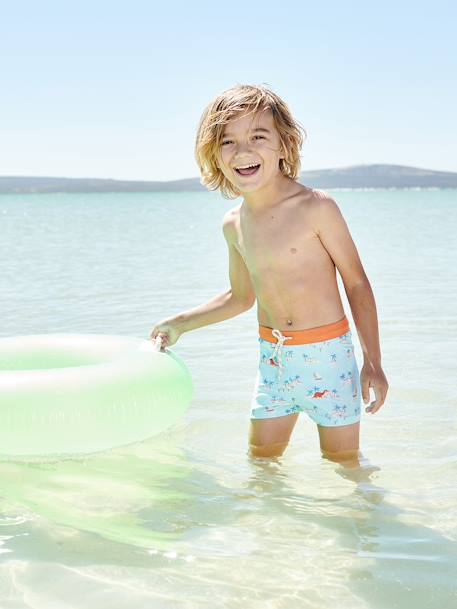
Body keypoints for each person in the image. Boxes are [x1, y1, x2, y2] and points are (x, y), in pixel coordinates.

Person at [150, 83, 389, 464]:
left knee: (344, 467)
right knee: (260, 464)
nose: (243, 151)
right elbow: (240, 298)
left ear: (285, 144)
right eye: (228, 142)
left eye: (258, 137)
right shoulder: (234, 224)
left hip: (327, 359)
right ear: (215, 153)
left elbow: (356, 282)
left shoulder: (316, 208)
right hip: (274, 362)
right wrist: (179, 324)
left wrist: (372, 361)